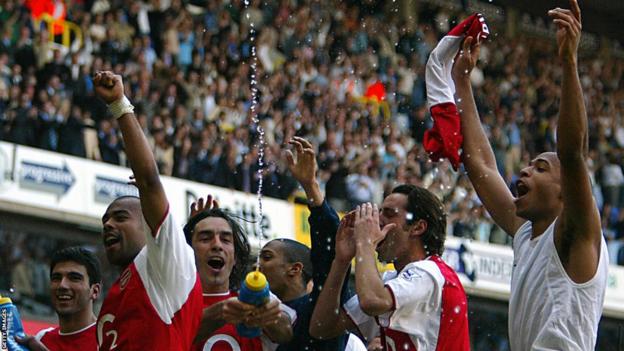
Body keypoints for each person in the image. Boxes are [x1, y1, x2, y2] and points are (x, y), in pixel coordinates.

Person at [452, 1, 608, 349]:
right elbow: (481, 166)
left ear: (565, 190)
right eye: (528, 164)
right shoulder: (527, 234)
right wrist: (461, 81)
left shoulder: (575, 230)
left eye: (540, 168)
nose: (524, 169)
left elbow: (571, 153)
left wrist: (569, 62)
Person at [93, 71, 203, 350]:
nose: (108, 225)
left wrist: (119, 104)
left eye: (120, 218)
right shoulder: (117, 293)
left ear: (148, 224)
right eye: (106, 220)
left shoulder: (164, 265)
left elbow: (149, 180)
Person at [310, 184, 470, 350]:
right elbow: (322, 327)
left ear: (418, 227)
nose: (377, 221)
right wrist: (342, 261)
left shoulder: (432, 273)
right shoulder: (391, 280)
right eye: (378, 212)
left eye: (388, 213)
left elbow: (372, 301)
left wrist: (365, 243)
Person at [257, 136, 355, 351]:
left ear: (295, 269)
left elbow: (328, 257)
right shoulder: (249, 313)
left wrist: (311, 187)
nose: (258, 266)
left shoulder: (319, 311)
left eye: (267, 257)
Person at [183, 195, 295, 350]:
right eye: (205, 239)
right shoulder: (174, 301)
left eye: (226, 240)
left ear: (235, 257)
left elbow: (285, 333)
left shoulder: (251, 295)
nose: (217, 245)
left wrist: (269, 315)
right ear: (188, 253)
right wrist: (221, 313)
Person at [17, 247, 102, 351]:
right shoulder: (41, 339)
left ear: (95, 291)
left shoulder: (109, 340)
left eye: (74, 278)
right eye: (56, 278)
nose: (62, 285)